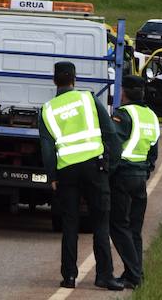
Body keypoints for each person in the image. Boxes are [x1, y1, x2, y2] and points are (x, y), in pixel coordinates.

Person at [40, 61, 124, 291]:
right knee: (100, 222)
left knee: (70, 223)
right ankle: (104, 276)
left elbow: (47, 149)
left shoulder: (47, 109)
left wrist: (52, 176)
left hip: (67, 171)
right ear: (74, 79)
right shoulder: (88, 99)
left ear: (54, 81)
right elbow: (111, 134)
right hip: (94, 168)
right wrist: (112, 166)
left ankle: (69, 277)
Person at [110, 75, 159, 290]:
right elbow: (153, 152)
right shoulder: (151, 116)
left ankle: (134, 275)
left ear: (126, 93)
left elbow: (113, 145)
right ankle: (136, 273)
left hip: (123, 175)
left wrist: (108, 170)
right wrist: (146, 170)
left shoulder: (124, 114)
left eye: (121, 90)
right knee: (135, 229)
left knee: (118, 226)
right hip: (140, 177)